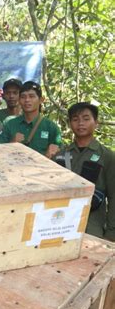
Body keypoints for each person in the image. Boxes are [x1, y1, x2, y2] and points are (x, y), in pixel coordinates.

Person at [54, 103, 114, 241]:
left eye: (86, 119)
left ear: (96, 122)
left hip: (92, 226)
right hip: (61, 224)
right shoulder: (61, 155)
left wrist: (111, 233)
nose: (80, 123)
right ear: (70, 124)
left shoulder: (107, 156)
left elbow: (113, 196)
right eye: (75, 119)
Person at [0, 81, 61, 158]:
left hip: (41, 169)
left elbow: (61, 155)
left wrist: (50, 155)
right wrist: (12, 144)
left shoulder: (50, 127)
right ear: (19, 100)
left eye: (31, 96)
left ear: (41, 100)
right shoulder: (9, 124)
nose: (27, 100)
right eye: (23, 97)